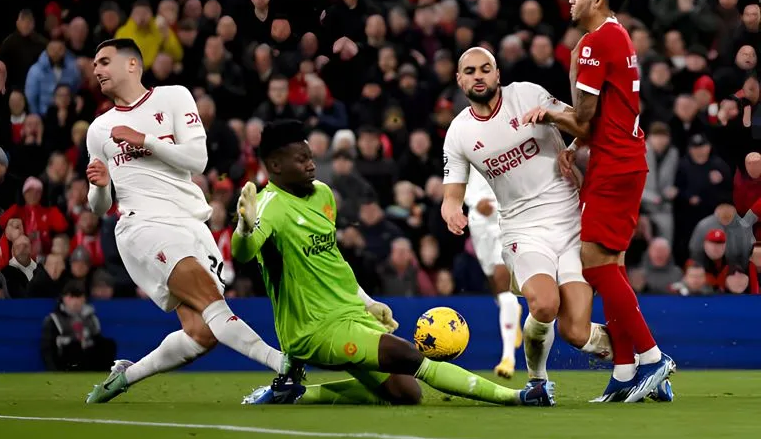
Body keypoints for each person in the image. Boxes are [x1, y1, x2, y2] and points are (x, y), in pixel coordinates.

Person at [235, 119, 554, 407]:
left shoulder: (323, 194)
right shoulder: (268, 207)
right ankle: (520, 397)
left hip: (349, 313)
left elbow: (331, 260)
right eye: (301, 159)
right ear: (275, 165)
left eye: (310, 157)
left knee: (406, 392)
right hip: (315, 330)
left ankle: (295, 394)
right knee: (409, 355)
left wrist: (367, 302)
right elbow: (243, 253)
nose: (311, 165)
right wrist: (244, 229)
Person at [84, 39, 286, 404]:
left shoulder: (174, 97)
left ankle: (125, 376)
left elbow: (197, 159)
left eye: (104, 61)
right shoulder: (99, 129)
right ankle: (283, 366)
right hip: (142, 225)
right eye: (94, 64)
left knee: (202, 333)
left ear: (132, 65)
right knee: (214, 304)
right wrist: (99, 188)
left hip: (190, 223)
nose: (96, 70)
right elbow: (99, 205)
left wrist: (143, 139)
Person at [522, 0, 675, 403]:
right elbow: (603, 117)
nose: (570, 0)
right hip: (622, 158)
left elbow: (584, 118)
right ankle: (625, 370)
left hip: (615, 164)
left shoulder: (596, 41)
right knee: (614, 266)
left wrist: (550, 113)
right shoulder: (618, 35)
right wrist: (577, 147)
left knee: (593, 264)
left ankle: (652, 357)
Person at [441, 47, 613, 394]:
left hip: (571, 223)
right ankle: (538, 380)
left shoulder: (528, 94)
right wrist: (452, 212)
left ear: (498, 74)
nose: (478, 76)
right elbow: (451, 195)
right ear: (459, 80)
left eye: (485, 69)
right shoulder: (458, 132)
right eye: (470, 71)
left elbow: (585, 127)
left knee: (576, 332)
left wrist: (560, 132)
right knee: (544, 303)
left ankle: (638, 361)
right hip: (523, 230)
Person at [464, 165, 523, 379]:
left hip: (504, 216)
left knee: (501, 278)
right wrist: (472, 202)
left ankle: (508, 358)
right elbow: (455, 175)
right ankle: (511, 309)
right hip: (478, 220)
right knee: (493, 281)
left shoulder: (511, 134)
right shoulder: (461, 138)